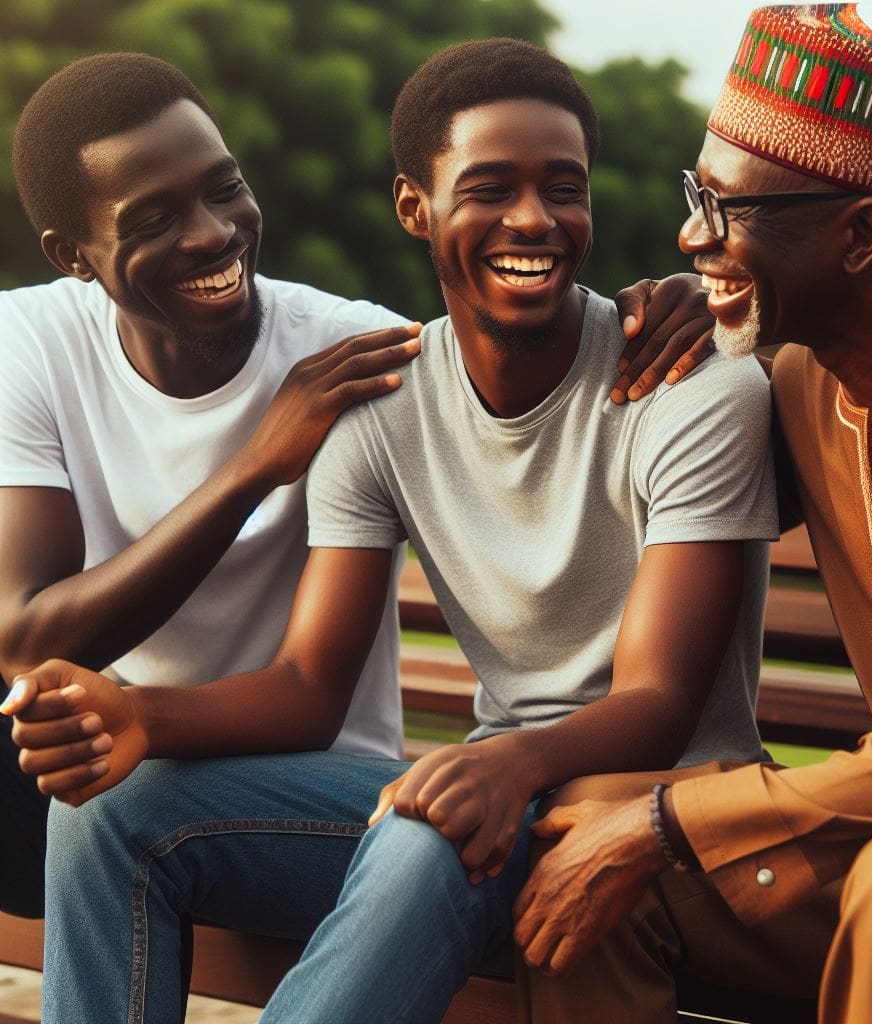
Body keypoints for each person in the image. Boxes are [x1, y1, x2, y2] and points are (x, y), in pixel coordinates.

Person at [4, 38, 773, 1023]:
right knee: (109, 811)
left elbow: (660, 700)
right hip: (478, 795)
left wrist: (707, 309)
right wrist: (144, 719)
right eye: (491, 186)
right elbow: (305, 687)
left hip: (647, 812)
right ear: (416, 206)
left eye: (562, 186)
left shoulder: (679, 383)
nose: (533, 218)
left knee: (429, 822)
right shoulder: (377, 400)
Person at [513, 6, 872, 1024]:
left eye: (726, 207)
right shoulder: (798, 383)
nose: (687, 231)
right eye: (692, 194)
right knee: (587, 843)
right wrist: (717, 292)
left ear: (861, 234)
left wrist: (675, 816)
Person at [0, 51, 425, 921]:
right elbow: (23, 638)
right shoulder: (31, 341)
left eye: (223, 188)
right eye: (153, 218)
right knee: (97, 792)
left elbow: (544, 382)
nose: (211, 233)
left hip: (304, 786)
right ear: (74, 255)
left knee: (112, 812)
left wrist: (676, 302)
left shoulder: (351, 352)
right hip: (106, 757)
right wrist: (252, 469)